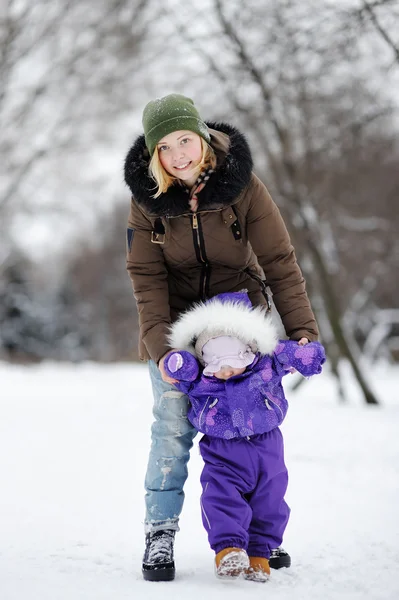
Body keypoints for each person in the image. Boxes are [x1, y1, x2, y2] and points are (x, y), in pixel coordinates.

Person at [124, 93, 319, 581]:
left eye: (185, 139)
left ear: (204, 138)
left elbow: (279, 262)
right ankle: (160, 533)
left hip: (240, 329)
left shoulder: (244, 187)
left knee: (253, 431)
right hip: (175, 329)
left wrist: (301, 335)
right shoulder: (146, 203)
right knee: (172, 431)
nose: (178, 154)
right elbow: (146, 281)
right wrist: (165, 353)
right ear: (154, 156)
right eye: (164, 147)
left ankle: (257, 539)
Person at [163, 291, 326, 581]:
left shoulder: (266, 364)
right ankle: (228, 549)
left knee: (271, 500)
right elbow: (183, 369)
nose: (224, 372)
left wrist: (306, 354)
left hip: (267, 448)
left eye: (230, 363)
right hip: (222, 450)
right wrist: (178, 362)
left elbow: (291, 354)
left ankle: (259, 554)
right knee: (220, 496)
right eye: (216, 365)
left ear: (249, 350)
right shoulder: (203, 379)